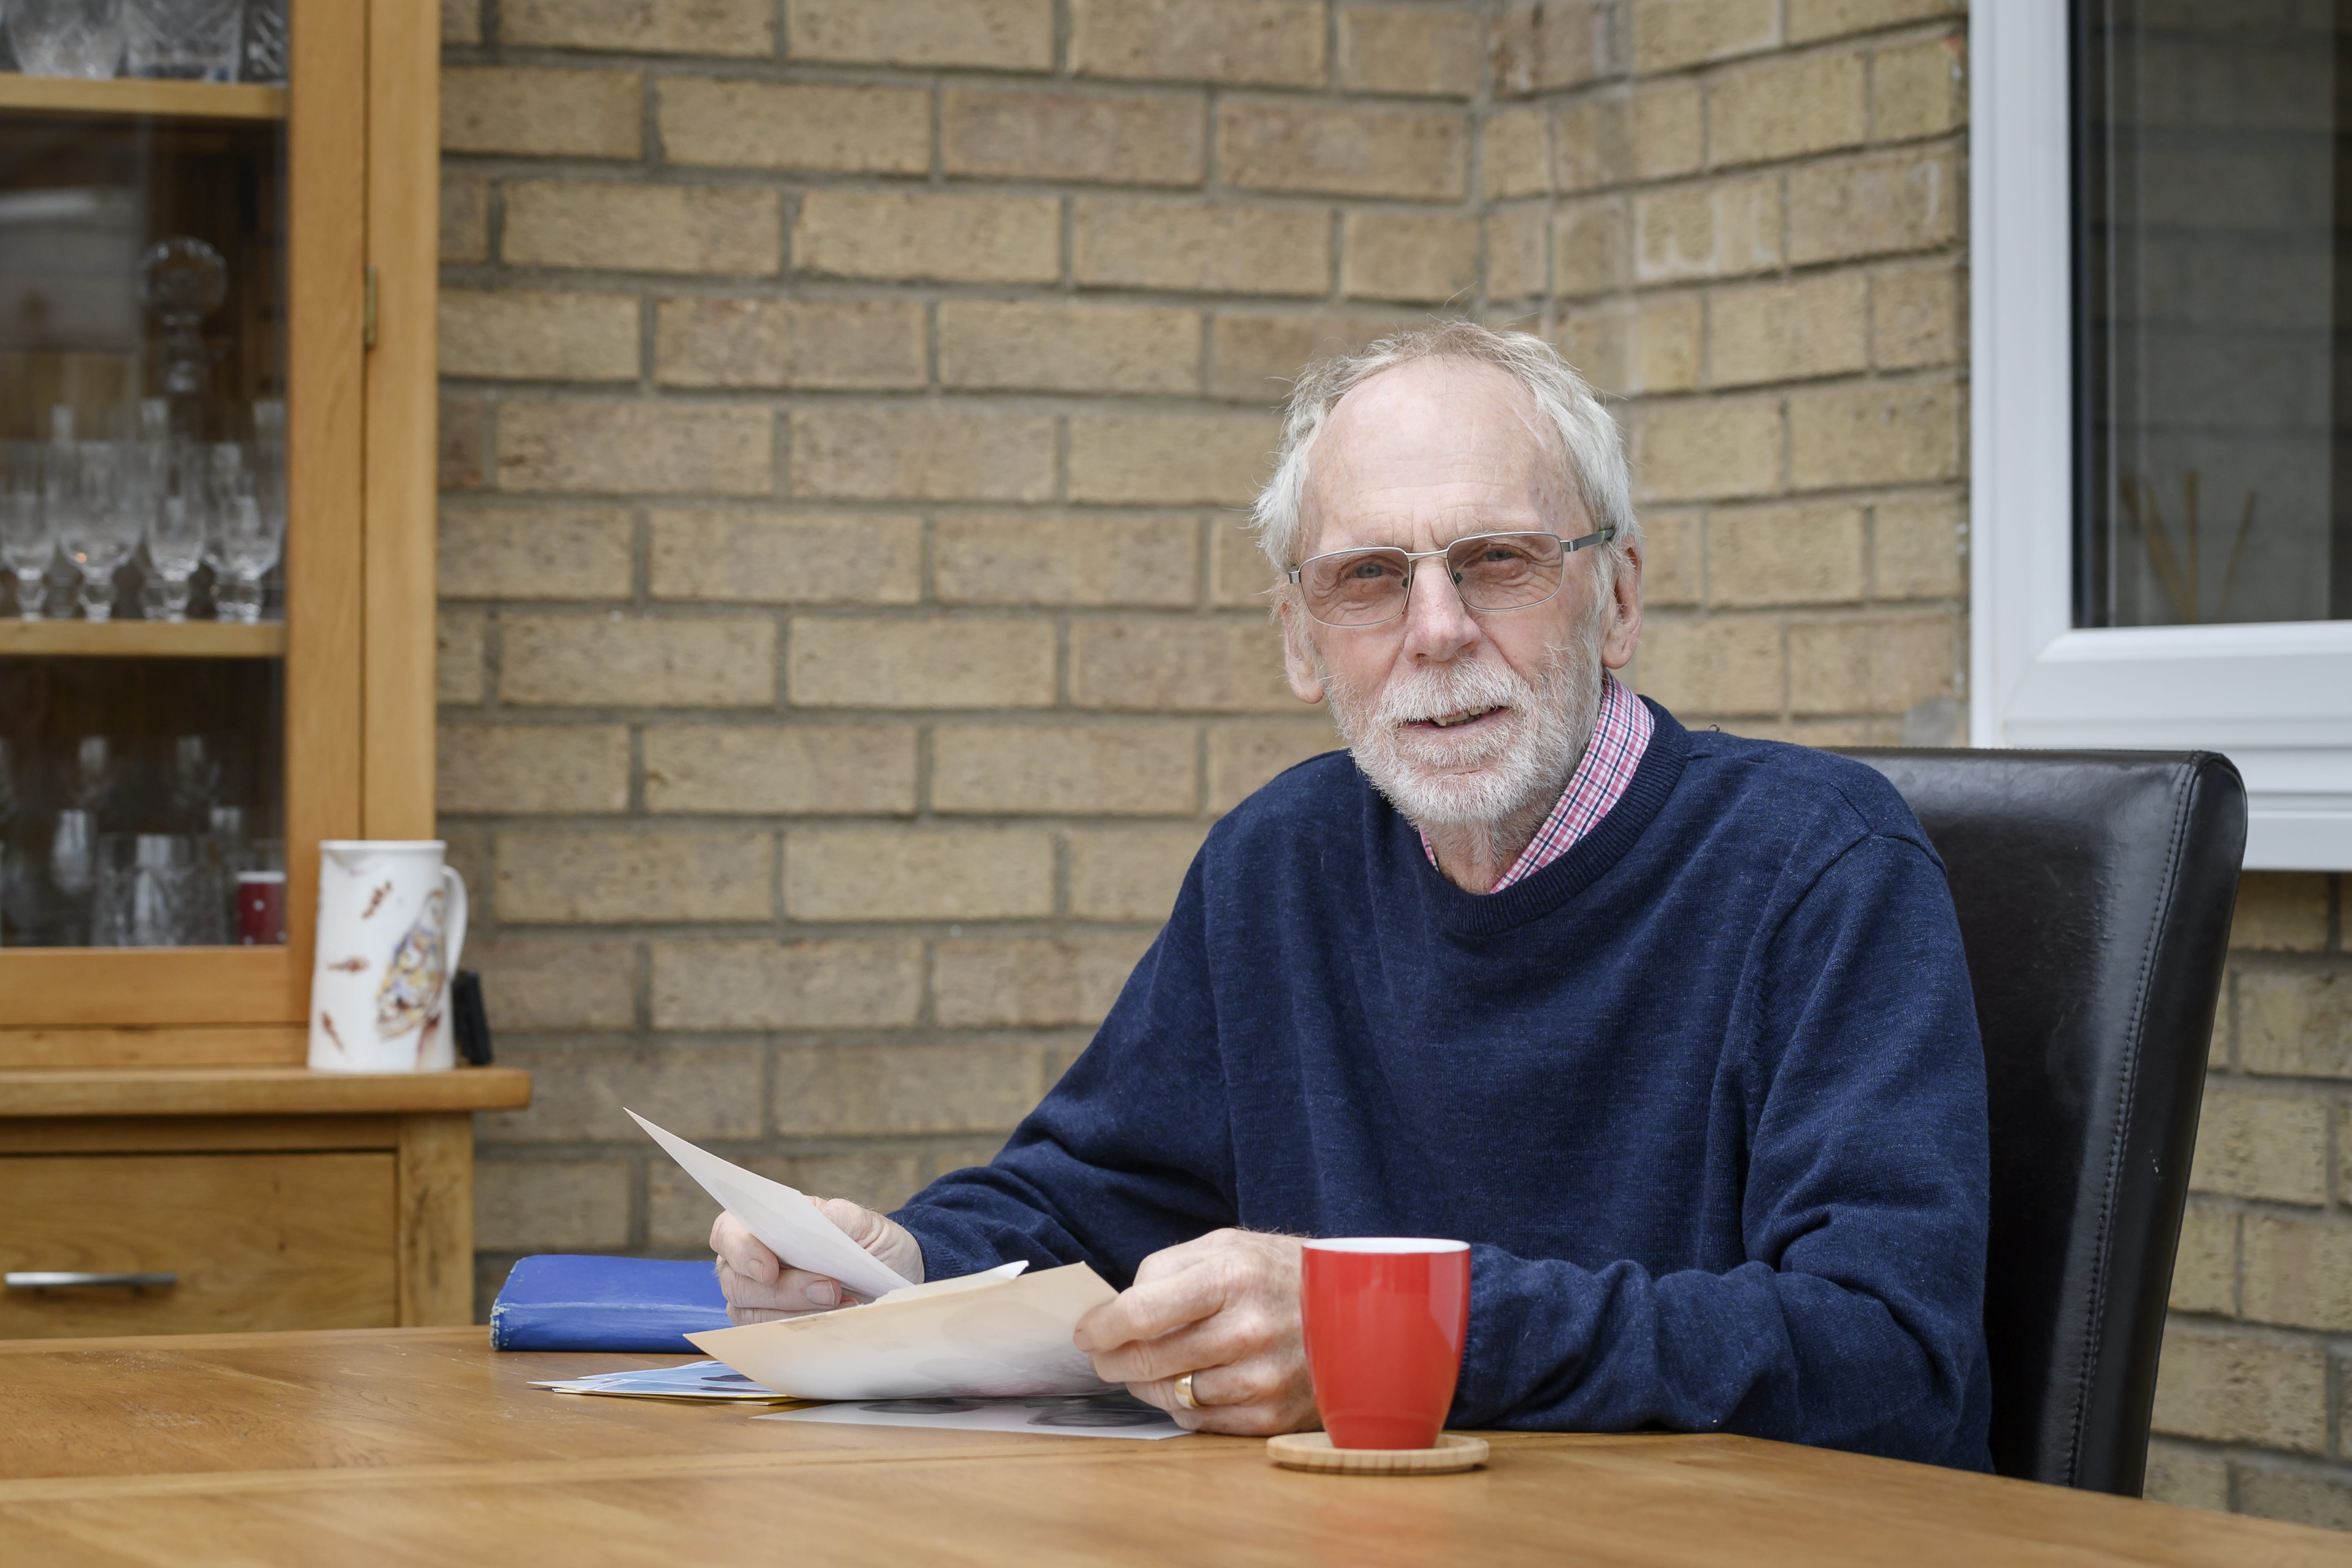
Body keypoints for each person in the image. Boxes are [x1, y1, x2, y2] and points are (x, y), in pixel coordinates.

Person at [712, 322, 1993, 1469]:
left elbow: (1887, 1352)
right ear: (1297, 635)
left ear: (1616, 599)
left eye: (1495, 559)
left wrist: (1389, 1334)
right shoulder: (1278, 862)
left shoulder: (1819, 866)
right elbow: (1087, 1197)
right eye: (1367, 577)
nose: (1433, 629)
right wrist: (899, 1268)